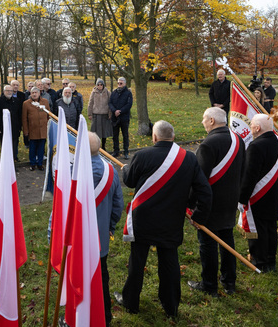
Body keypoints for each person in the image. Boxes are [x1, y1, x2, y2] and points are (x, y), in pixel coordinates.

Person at [115, 121, 212, 318]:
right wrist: (198, 216)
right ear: (173, 137)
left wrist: (126, 169)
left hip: (143, 218)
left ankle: (130, 302)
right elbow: (205, 191)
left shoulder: (142, 155)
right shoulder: (189, 158)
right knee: (169, 262)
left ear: (154, 137)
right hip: (171, 218)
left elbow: (130, 181)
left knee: (137, 261)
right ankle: (171, 306)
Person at [187, 107, 245, 297]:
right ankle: (229, 282)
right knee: (227, 239)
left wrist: (190, 203)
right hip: (230, 200)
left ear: (212, 121)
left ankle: (209, 284)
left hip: (211, 202)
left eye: (204, 119)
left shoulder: (208, 144)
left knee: (208, 244)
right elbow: (242, 171)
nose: (202, 122)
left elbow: (199, 179)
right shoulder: (238, 140)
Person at [238, 114, 278, 273]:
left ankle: (259, 262)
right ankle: (271, 260)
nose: (251, 127)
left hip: (258, 195)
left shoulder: (255, 146)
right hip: (274, 193)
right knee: (271, 228)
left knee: (259, 229)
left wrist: (242, 198)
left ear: (257, 128)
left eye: (252, 124)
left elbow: (249, 176)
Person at [89, 132, 124, 327]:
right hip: (101, 236)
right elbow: (118, 205)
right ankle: (104, 317)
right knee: (102, 275)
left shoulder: (72, 172)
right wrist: (110, 226)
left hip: (77, 238)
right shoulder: (111, 170)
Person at [22, 87, 49, 171]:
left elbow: (48, 115)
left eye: (35, 93)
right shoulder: (26, 103)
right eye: (32, 93)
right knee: (32, 148)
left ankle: (40, 163)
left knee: (41, 148)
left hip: (43, 129)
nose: (34, 94)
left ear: (39, 93)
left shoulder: (45, 102)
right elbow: (24, 118)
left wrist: (48, 127)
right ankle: (32, 163)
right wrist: (25, 130)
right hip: (32, 129)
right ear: (30, 94)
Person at [0, 85, 23, 161]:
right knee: (5, 144)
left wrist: (20, 127)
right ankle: (6, 159)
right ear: (4, 91)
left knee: (14, 143)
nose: (9, 92)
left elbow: (19, 114)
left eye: (11, 91)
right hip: (3, 127)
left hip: (15, 127)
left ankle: (14, 158)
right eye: (7, 91)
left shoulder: (17, 101)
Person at [108, 77, 133, 158]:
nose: (119, 84)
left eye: (121, 83)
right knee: (115, 135)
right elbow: (110, 103)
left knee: (125, 135)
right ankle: (116, 151)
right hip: (115, 118)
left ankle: (126, 151)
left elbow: (129, 104)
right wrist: (114, 111)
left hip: (124, 117)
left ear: (124, 84)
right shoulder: (114, 92)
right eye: (118, 83)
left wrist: (120, 111)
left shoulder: (128, 93)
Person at [88, 78, 113, 153]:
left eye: (101, 84)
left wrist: (110, 113)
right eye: (98, 84)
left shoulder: (108, 92)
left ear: (103, 85)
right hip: (96, 114)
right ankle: (97, 146)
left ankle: (103, 146)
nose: (99, 86)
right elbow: (90, 103)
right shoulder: (94, 92)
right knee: (96, 132)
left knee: (104, 132)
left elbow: (110, 103)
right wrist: (89, 114)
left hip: (105, 115)